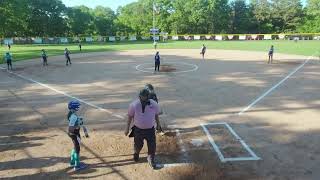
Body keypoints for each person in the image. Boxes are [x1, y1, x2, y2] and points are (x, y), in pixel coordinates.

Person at [124, 89, 162, 169]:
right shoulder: (134, 105)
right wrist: (127, 128)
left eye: (144, 97)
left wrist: (158, 124)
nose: (143, 98)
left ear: (148, 97)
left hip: (150, 130)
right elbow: (130, 116)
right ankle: (136, 153)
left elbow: (156, 115)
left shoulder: (153, 104)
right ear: (139, 96)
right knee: (138, 145)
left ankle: (151, 159)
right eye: (141, 97)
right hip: (138, 130)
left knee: (152, 146)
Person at [67, 100, 88, 171]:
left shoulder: (70, 114)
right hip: (74, 134)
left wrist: (78, 120)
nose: (78, 108)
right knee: (77, 149)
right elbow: (71, 127)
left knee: (74, 146)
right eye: (77, 107)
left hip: (72, 134)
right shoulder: (74, 116)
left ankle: (72, 162)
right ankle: (77, 166)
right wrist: (78, 125)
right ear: (75, 108)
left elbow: (71, 122)